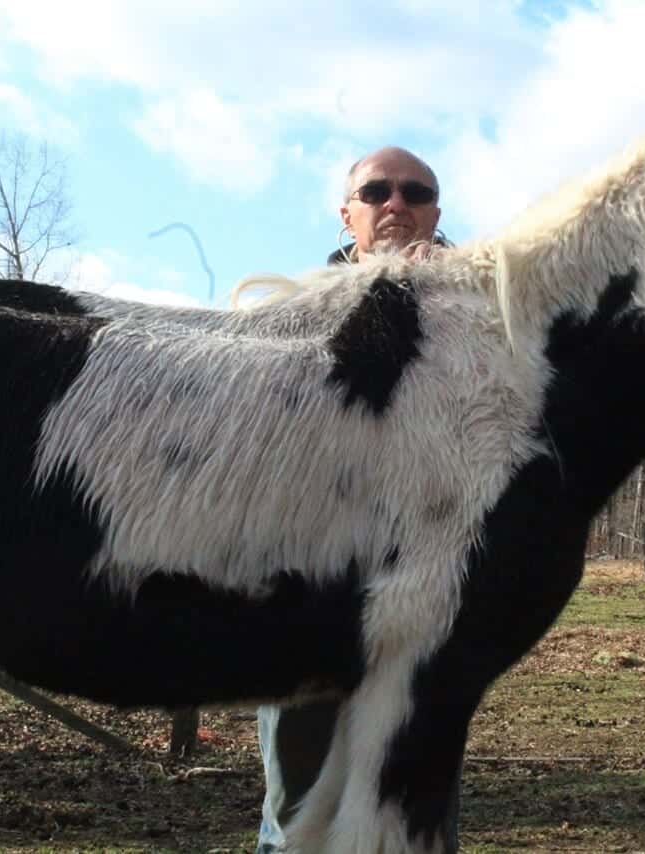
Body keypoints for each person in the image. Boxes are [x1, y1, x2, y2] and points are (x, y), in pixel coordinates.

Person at [255, 145, 454, 854]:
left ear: (436, 211)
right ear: (348, 215)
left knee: (412, 795)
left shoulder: (486, 309)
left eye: (414, 191)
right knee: (298, 789)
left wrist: (446, 305)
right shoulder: (292, 309)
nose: (396, 203)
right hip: (306, 583)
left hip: (426, 589)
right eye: (377, 191)